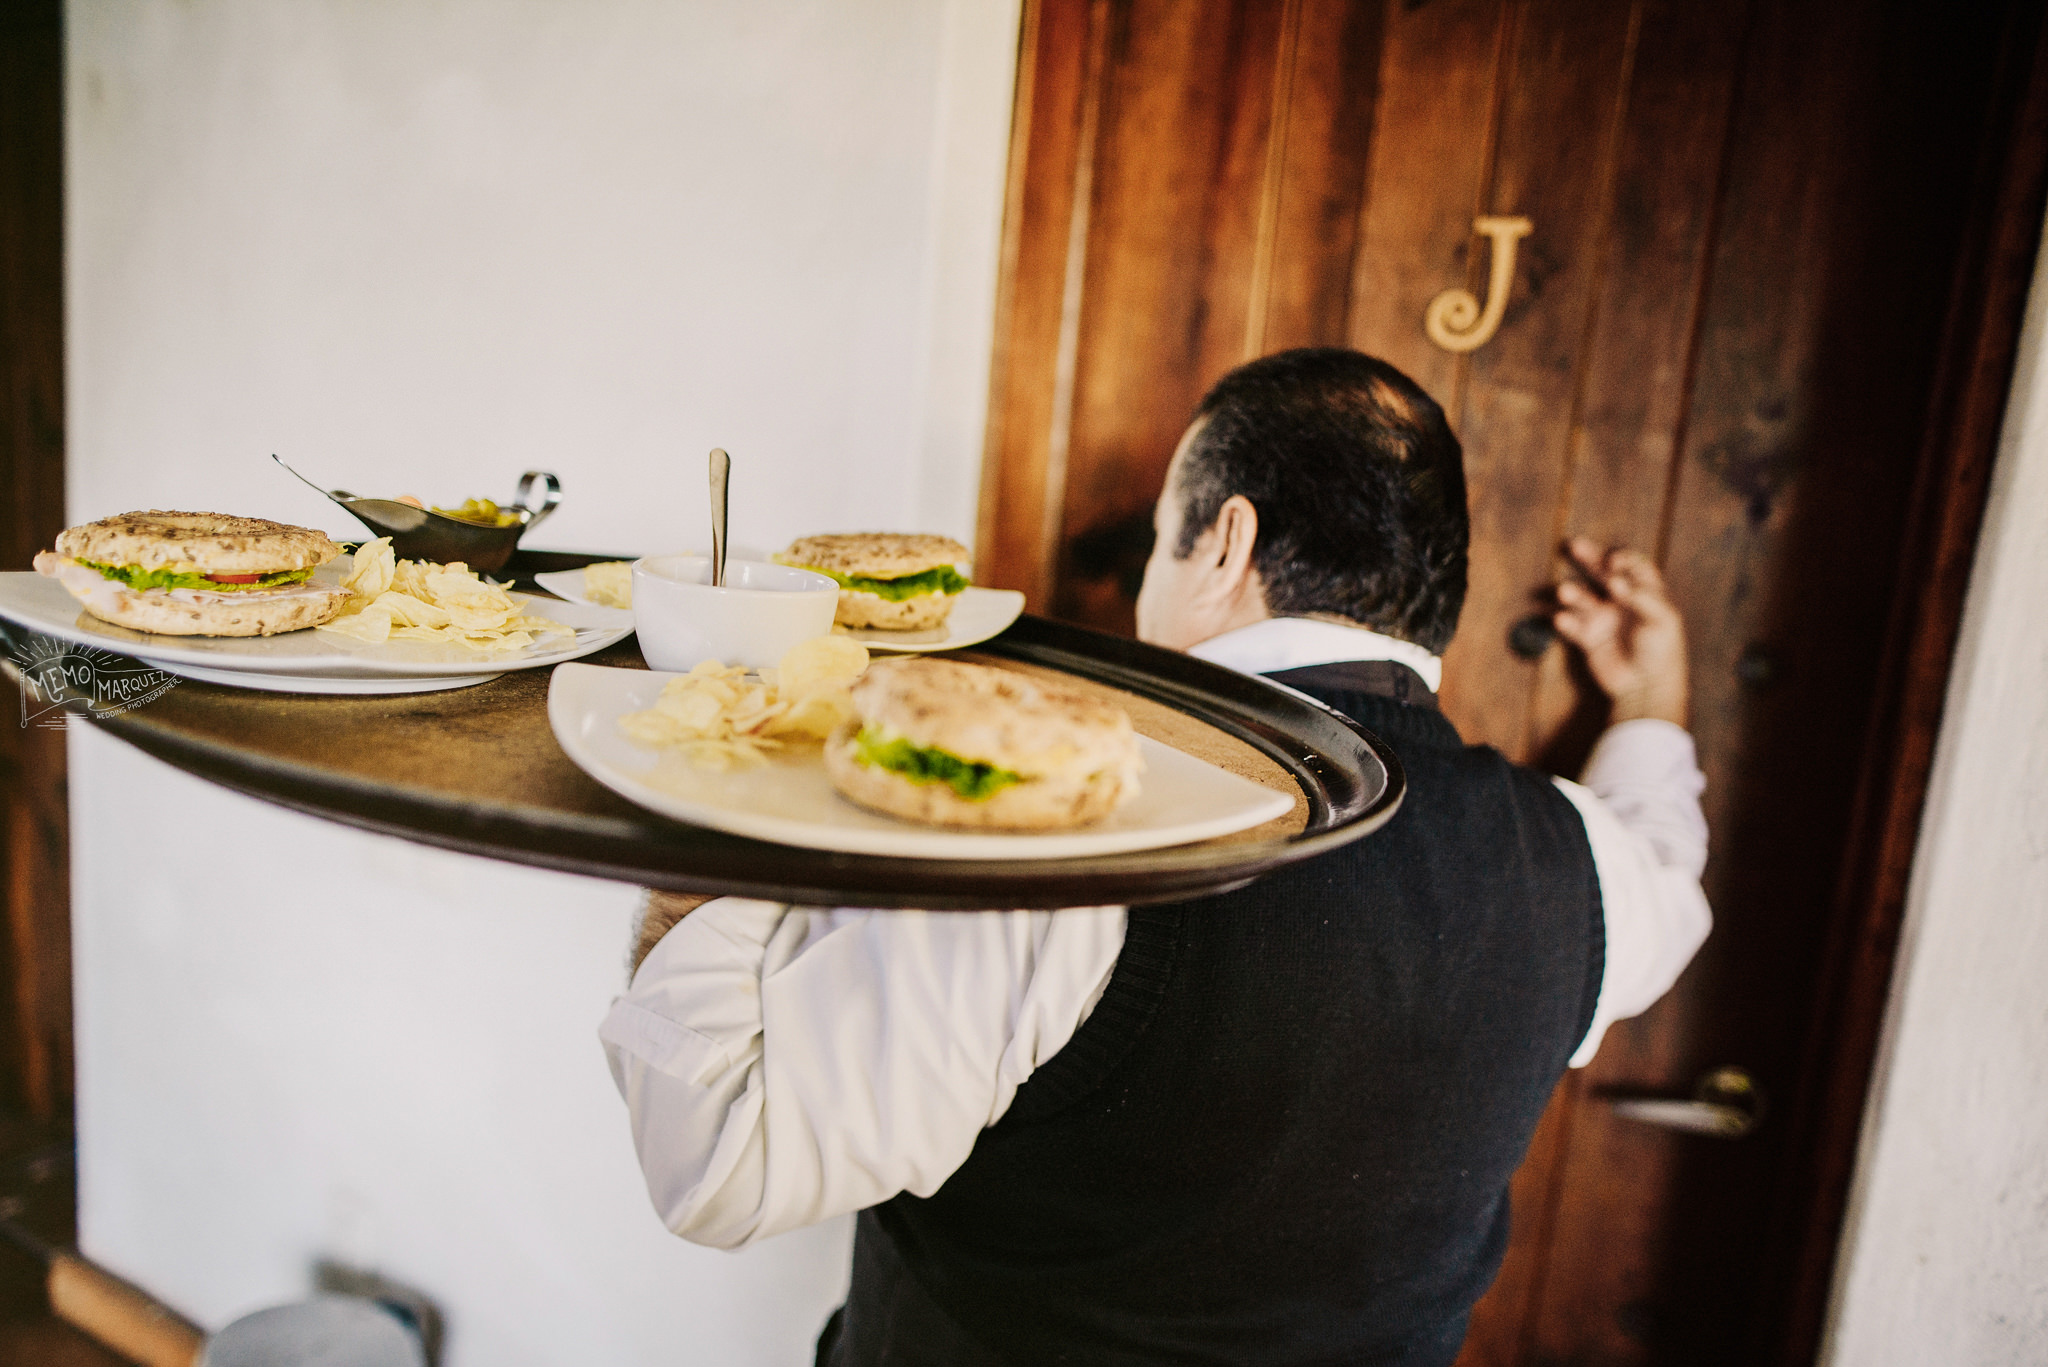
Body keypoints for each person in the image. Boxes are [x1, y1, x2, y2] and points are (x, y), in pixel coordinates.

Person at [601, 348, 1710, 1366]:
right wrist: (1652, 697)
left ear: (1222, 540)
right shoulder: (1587, 865)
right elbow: (1662, 850)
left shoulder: (1067, 839)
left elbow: (718, 1162)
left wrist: (713, 797)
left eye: (1154, 537)